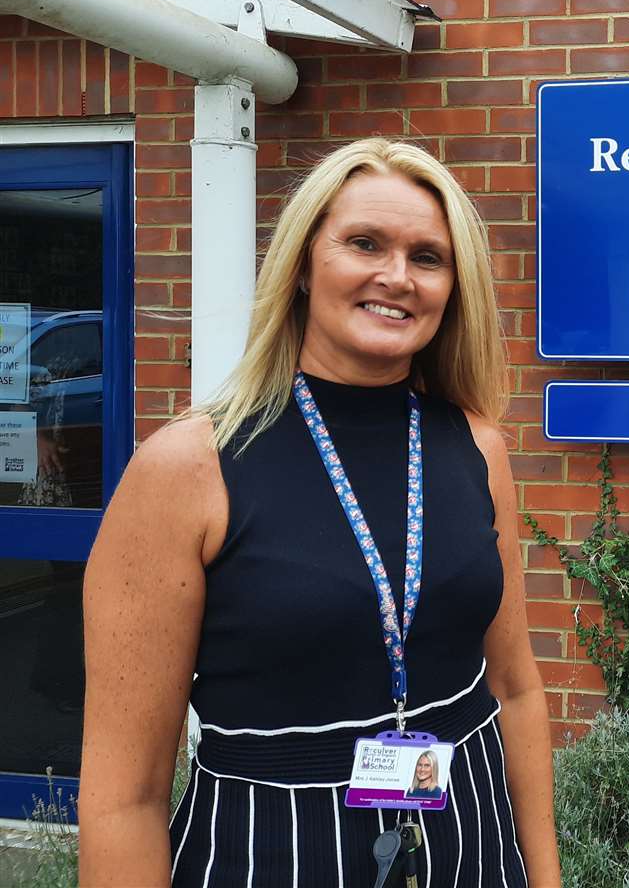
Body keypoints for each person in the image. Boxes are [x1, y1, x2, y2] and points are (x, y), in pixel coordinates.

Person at [79, 139, 561, 886]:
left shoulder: (477, 445)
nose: (396, 276)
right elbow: (124, 800)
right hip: (268, 851)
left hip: (469, 845)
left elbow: (517, 689)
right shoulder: (187, 468)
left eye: (428, 257)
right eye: (364, 243)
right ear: (303, 265)